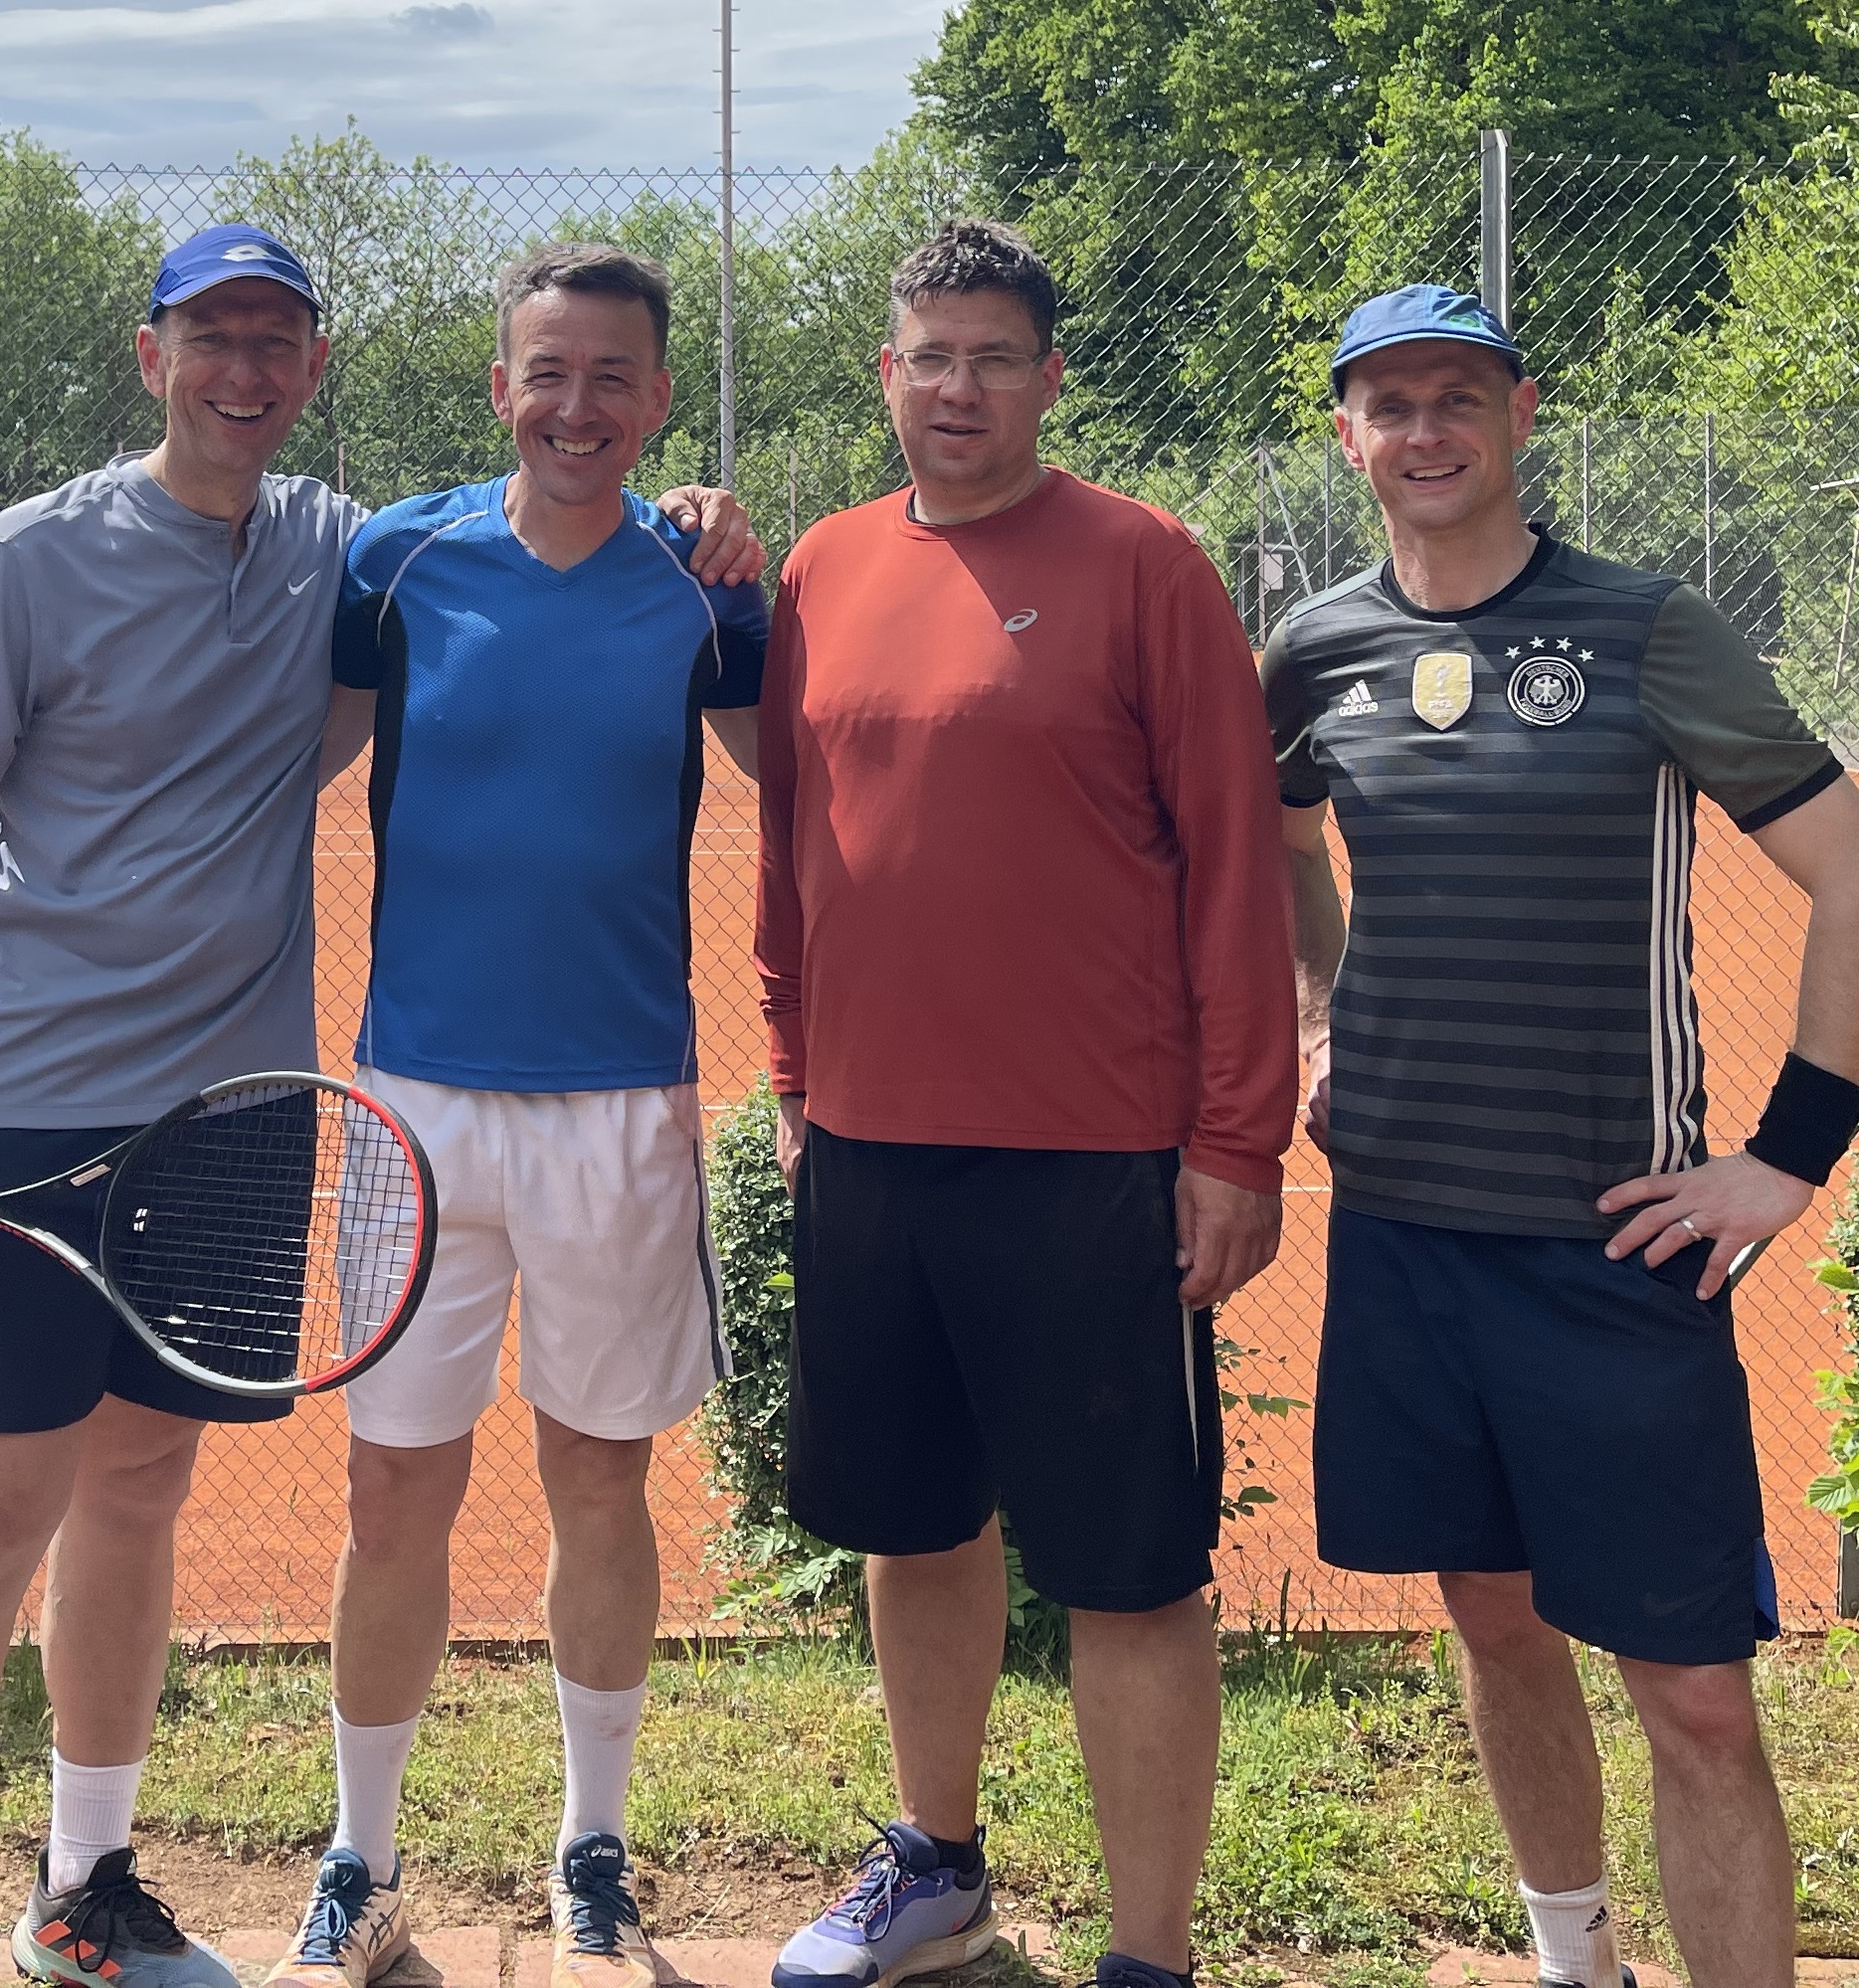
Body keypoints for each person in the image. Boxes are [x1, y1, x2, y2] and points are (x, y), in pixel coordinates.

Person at [0, 224, 757, 1988]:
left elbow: (625, 596)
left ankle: (85, 1890)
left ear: (314, 369)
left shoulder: (342, 549)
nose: (241, 372)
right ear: (151, 355)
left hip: (234, 1111)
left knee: (138, 1488)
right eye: (210, 337)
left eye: (275, 343)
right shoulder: (47, 558)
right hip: (33, 1099)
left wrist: (703, 522)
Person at [1265, 284, 1859, 1988]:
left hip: (1609, 1247)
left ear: (1520, 413)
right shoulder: (1314, 649)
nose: (1425, 430)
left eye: (1457, 396)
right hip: (1403, 1236)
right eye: (1390, 402)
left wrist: (1785, 1157)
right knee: (1491, 1617)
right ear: (1345, 433)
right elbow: (1279, 838)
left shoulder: (1641, 630)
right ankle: (1576, 1961)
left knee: (1693, 1696)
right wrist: (1319, 1014)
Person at [753, 218, 1297, 1988]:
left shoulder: (1145, 565)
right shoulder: (824, 566)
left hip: (1091, 1159)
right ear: (885, 374)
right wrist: (792, 1073)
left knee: (1128, 1574)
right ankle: (936, 1867)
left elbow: (1234, 872)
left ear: (1050, 376)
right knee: (913, 1529)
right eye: (931, 355)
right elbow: (790, 849)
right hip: (869, 1147)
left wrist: (1235, 1141)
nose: (960, 387)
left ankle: (1149, 1954)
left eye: (995, 356)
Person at [258, 242, 768, 1988]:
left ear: (658, 401)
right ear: (499, 390)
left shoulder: (702, 585)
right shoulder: (396, 560)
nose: (577, 406)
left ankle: (591, 1851)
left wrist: (754, 560)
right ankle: (360, 1859)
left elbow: (805, 772)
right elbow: (288, 753)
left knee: (598, 1482)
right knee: (391, 1492)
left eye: (612, 376)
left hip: (619, 1103)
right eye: (547, 372)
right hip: (412, 1101)